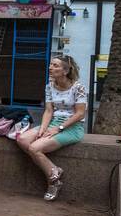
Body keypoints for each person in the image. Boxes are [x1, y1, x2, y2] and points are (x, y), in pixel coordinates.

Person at [14, 55, 87, 203]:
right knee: (22, 139)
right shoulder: (50, 85)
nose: (50, 68)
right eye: (51, 65)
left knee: (34, 148)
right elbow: (48, 111)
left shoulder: (78, 88)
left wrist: (58, 128)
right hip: (53, 122)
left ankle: (53, 182)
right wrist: (43, 129)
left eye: (55, 65)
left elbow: (80, 114)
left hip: (72, 126)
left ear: (65, 71)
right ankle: (53, 170)